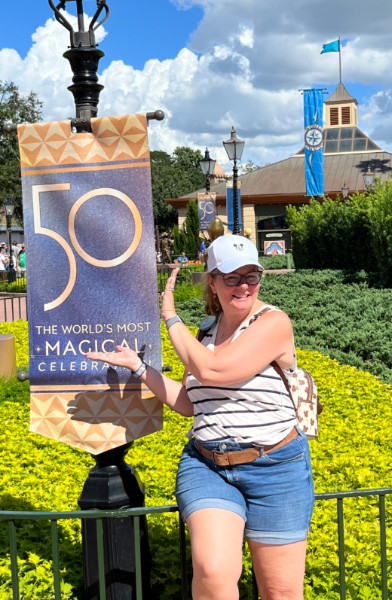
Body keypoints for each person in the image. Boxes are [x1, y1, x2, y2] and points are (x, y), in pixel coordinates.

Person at [85, 234, 314, 600]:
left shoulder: (274, 323)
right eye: (231, 277)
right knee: (212, 572)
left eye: (251, 276)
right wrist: (139, 367)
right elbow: (191, 402)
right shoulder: (206, 332)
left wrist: (170, 317)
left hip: (276, 469)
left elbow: (214, 372)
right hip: (208, 466)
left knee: (280, 591)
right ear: (212, 281)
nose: (243, 286)